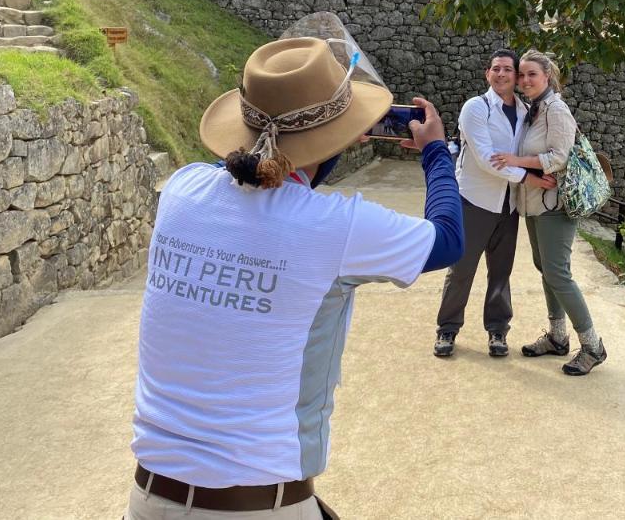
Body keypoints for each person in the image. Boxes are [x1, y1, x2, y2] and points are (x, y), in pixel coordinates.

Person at [126, 35, 462, 519]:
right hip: (260, 504)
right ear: (332, 140)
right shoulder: (333, 227)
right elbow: (449, 238)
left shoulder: (182, 190)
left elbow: (245, 182)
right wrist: (434, 152)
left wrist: (319, 140)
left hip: (148, 499)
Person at [490, 49, 607, 376]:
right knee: (545, 268)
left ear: (547, 77)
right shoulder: (532, 110)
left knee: (558, 272)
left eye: (532, 75)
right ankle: (557, 337)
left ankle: (593, 345)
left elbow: (559, 156)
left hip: (555, 204)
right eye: (522, 74)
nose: (525, 80)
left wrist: (517, 162)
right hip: (534, 203)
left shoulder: (556, 110)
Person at [435, 48, 554, 357]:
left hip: (509, 205)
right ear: (487, 74)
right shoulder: (476, 108)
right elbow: (488, 160)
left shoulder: (526, 111)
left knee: (501, 271)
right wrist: (531, 179)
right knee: (462, 269)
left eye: (507, 69)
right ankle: (447, 329)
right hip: (475, 199)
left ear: (516, 76)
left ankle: (498, 331)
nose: (501, 74)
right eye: (495, 68)